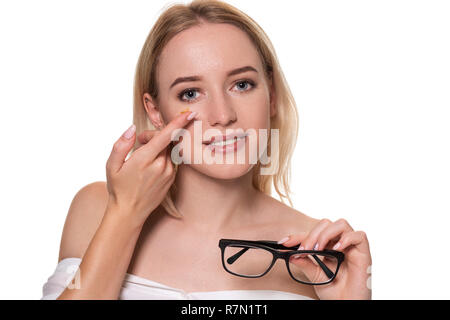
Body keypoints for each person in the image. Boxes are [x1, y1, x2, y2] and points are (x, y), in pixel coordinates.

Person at [41, 0, 372, 300]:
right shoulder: (98, 209)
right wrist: (125, 214)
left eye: (242, 85)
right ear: (155, 110)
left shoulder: (317, 251)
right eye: (190, 93)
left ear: (270, 94)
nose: (223, 116)